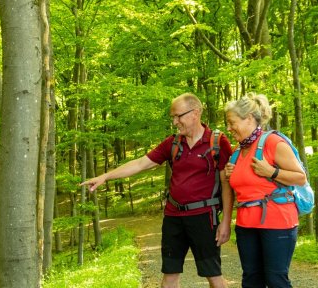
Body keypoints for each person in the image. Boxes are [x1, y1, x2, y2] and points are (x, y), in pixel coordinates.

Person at [82, 93, 233, 288]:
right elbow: (140, 163)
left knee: (214, 276)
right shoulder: (172, 143)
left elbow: (227, 184)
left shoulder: (218, 142)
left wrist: (226, 221)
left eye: (178, 116)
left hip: (204, 218)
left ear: (195, 113)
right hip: (173, 217)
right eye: (173, 117)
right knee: (169, 277)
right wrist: (105, 176)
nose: (175, 122)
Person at [221, 93, 307, 288]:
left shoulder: (273, 142)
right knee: (251, 280)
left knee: (276, 280)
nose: (228, 128)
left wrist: (272, 171)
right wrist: (229, 174)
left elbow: (300, 177)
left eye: (231, 122)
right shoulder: (238, 151)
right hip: (245, 224)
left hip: (278, 222)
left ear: (249, 118)